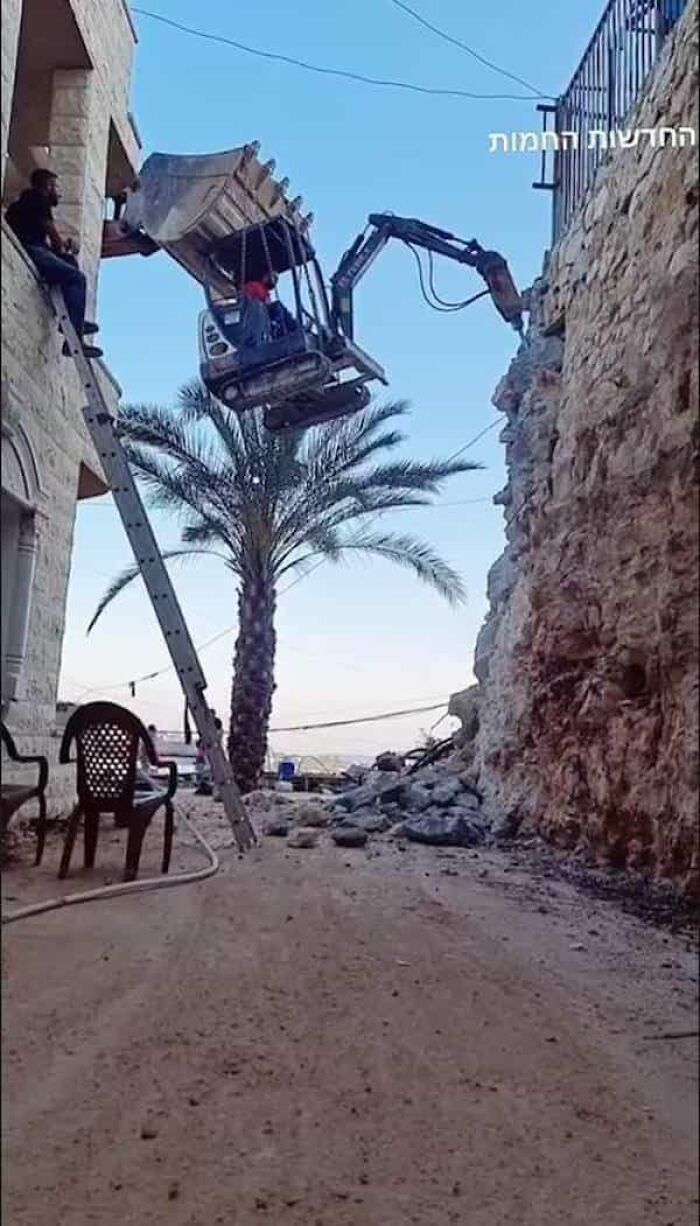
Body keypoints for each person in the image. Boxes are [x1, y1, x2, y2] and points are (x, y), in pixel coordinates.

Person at [4, 168, 102, 358]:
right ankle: (73, 339)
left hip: (33, 245)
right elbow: (50, 233)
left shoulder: (25, 202)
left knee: (68, 261)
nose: (58, 192)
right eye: (55, 187)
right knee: (76, 278)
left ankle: (76, 321)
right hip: (31, 248)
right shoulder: (38, 198)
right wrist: (61, 246)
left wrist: (63, 249)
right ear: (47, 187)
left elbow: (45, 233)